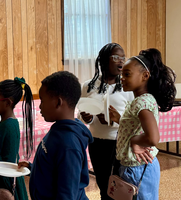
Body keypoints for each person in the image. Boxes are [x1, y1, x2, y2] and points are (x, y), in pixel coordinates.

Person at [109, 48, 176, 200]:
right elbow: (136, 127)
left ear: (145, 76)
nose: (122, 78)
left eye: (127, 74)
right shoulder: (143, 100)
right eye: (122, 74)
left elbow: (153, 138)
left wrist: (135, 141)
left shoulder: (141, 102)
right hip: (137, 167)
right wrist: (120, 120)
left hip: (138, 169)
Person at [19, 71, 93, 200]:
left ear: (58, 102)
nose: (40, 107)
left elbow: (67, 194)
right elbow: (56, 167)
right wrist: (32, 168)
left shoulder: (68, 144)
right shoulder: (59, 129)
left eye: (42, 100)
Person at [78, 43, 134, 200]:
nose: (121, 61)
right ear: (104, 60)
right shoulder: (88, 86)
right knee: (103, 185)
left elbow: (134, 120)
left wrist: (115, 121)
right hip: (96, 143)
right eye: (116, 57)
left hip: (120, 142)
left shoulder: (128, 88)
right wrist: (86, 117)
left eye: (123, 58)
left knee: (120, 186)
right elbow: (81, 113)